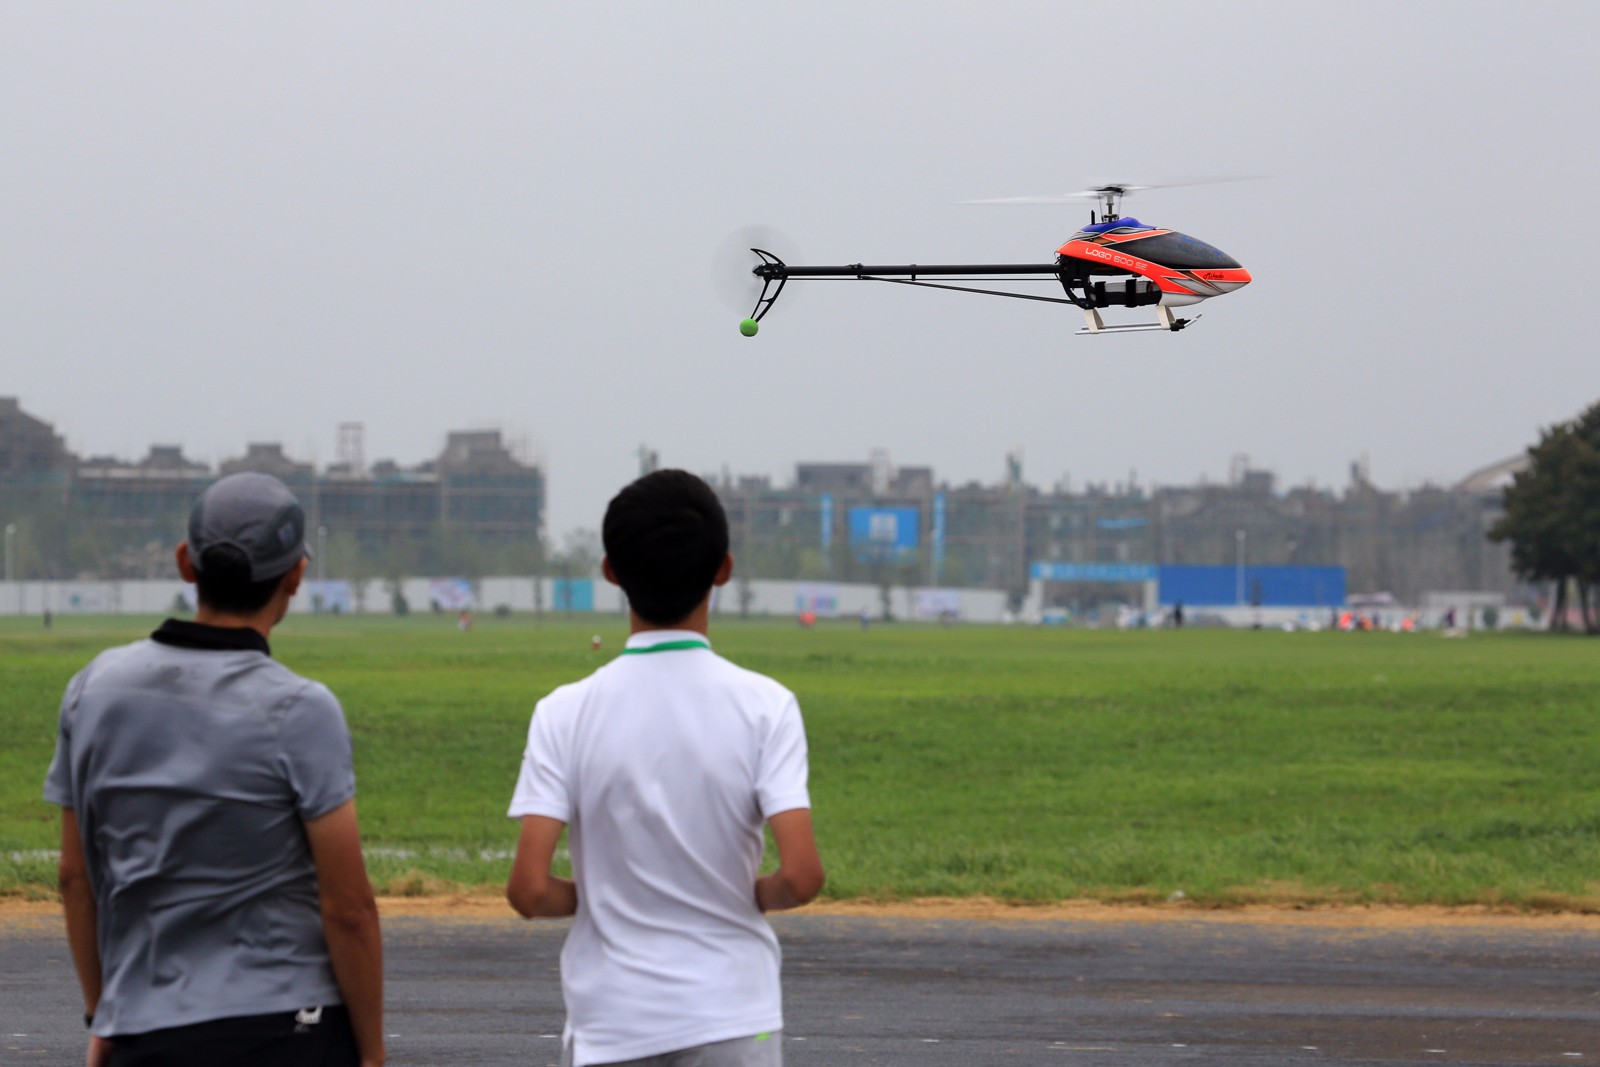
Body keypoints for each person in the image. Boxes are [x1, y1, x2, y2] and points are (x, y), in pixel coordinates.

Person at [43, 471, 384, 1067]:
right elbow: (348, 906)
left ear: (184, 562)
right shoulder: (301, 709)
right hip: (286, 1026)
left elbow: (77, 877)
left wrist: (106, 1015)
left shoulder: (93, 690)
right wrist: (373, 1052)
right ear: (296, 577)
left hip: (143, 1030)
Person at [507, 469, 824, 1067]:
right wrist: (746, 893)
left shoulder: (563, 712)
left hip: (613, 1022)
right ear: (723, 569)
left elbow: (527, 891)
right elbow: (803, 875)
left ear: (611, 571)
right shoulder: (767, 706)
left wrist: (606, 895)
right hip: (736, 1014)